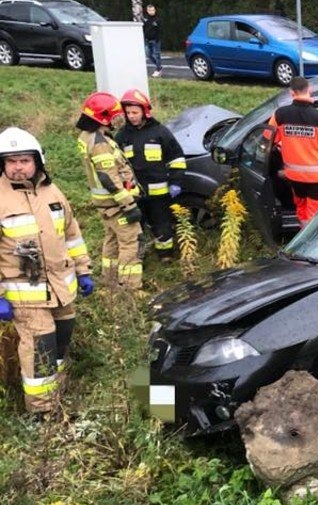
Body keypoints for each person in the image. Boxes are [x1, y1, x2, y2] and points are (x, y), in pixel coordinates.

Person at [0, 127, 93, 418]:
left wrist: (83, 270)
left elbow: (71, 233)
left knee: (61, 338)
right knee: (41, 346)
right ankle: (42, 413)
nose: (18, 167)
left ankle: (58, 390)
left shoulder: (52, 191)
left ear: (37, 161)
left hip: (61, 287)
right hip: (24, 296)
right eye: (11, 161)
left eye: (24, 160)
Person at [76, 92, 144, 291]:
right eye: (113, 116)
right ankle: (130, 288)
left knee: (112, 240)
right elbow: (109, 178)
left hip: (105, 204)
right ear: (103, 117)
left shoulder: (86, 136)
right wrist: (129, 204)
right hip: (116, 204)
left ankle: (110, 281)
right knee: (132, 241)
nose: (117, 119)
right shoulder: (99, 143)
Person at [115, 89, 186, 264]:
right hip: (134, 193)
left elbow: (176, 158)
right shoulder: (122, 136)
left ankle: (165, 255)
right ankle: (139, 256)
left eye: (135, 112)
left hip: (159, 194)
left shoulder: (160, 132)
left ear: (145, 112)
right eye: (128, 112)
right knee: (135, 227)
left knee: (161, 224)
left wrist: (175, 182)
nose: (131, 116)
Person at [269, 76, 318, 226]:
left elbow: (268, 140)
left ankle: (302, 234)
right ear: (310, 90)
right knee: (316, 218)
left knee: (301, 210)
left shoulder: (279, 115)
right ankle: (310, 243)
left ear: (291, 92)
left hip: (294, 178)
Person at [142, 4, 162, 78]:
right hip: (148, 40)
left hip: (155, 40)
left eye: (153, 10)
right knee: (149, 54)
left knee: (157, 55)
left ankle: (158, 69)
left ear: (155, 10)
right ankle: (159, 66)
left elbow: (159, 30)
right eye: (150, 10)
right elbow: (144, 29)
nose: (151, 12)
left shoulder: (157, 19)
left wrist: (157, 39)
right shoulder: (145, 19)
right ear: (147, 11)